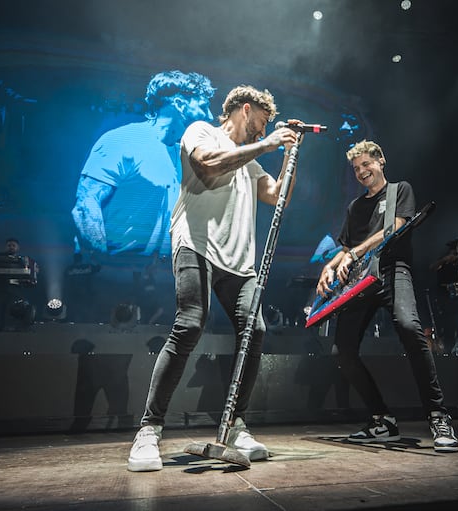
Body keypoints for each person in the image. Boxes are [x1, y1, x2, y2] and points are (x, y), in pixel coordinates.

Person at [127, 85, 301, 471]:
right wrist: (269, 144)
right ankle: (149, 430)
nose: (263, 128)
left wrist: (291, 155)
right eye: (262, 120)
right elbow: (207, 165)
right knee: (189, 324)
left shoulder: (253, 162)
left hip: (238, 260)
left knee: (254, 330)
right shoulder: (201, 131)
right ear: (244, 109)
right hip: (196, 245)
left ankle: (235, 425)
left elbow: (279, 197)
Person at [315, 140, 458, 453]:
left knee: (410, 328)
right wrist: (329, 268)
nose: (361, 172)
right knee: (343, 350)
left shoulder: (400, 190)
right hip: (360, 283)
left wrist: (354, 252)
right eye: (356, 169)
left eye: (366, 164)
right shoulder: (355, 208)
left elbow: (395, 228)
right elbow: (344, 249)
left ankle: (438, 415)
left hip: (394, 271)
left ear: (381, 161)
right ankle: (382, 420)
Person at [72, 70, 216, 259]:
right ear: (180, 104)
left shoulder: (185, 155)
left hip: (158, 279)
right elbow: (85, 205)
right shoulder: (122, 140)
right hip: (112, 276)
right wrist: (102, 262)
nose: (211, 116)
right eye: (204, 107)